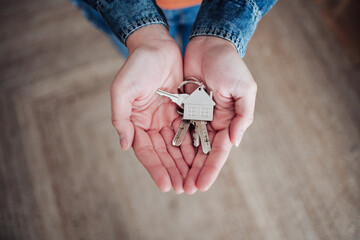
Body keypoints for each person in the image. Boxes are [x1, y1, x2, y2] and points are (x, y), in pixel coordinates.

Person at [72, 0, 277, 194]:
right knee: (142, 64)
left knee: (190, 65)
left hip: (216, 8)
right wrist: (143, 35)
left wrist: (221, 38)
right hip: (122, 13)